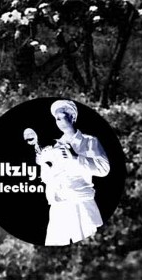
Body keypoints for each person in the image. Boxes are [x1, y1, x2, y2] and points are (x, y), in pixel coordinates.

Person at [35, 99, 110, 245]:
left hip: (81, 204)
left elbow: (104, 169)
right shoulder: (55, 147)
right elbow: (49, 179)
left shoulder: (89, 141)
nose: (59, 121)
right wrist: (43, 164)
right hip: (59, 206)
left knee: (88, 248)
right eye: (56, 118)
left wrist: (75, 158)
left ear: (72, 117)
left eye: (62, 116)